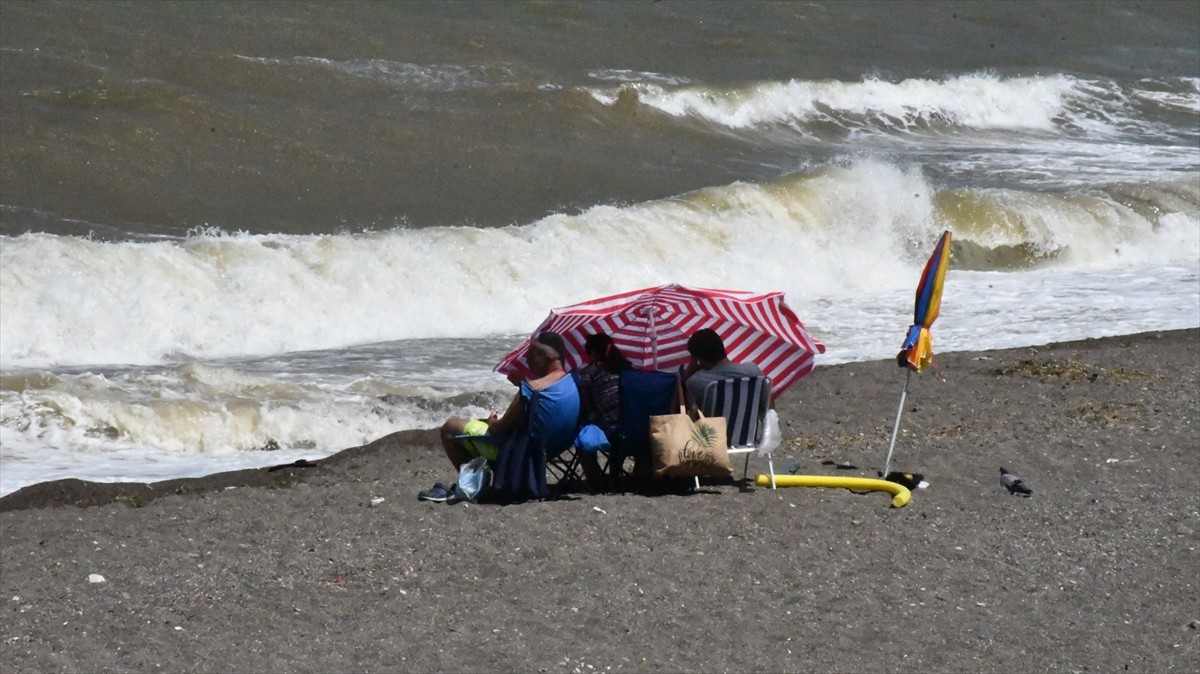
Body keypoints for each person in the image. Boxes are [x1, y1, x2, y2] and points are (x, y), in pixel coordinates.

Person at [423, 331, 579, 502]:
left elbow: (498, 430)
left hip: (523, 452)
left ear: (548, 357)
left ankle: (473, 486)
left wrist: (491, 420)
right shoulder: (574, 382)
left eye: (532, 355)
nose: (527, 360)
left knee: (450, 429)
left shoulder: (532, 390)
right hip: (553, 445)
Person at [574, 333, 632, 491]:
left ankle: (596, 482)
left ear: (593, 353)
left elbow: (586, 404)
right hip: (634, 427)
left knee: (582, 438)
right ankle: (632, 475)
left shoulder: (590, 371)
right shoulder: (627, 367)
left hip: (612, 431)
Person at [682, 328, 766, 409]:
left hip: (715, 424)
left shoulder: (697, 382)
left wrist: (688, 372)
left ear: (698, 360)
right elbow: (768, 404)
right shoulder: (752, 370)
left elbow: (683, 412)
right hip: (751, 423)